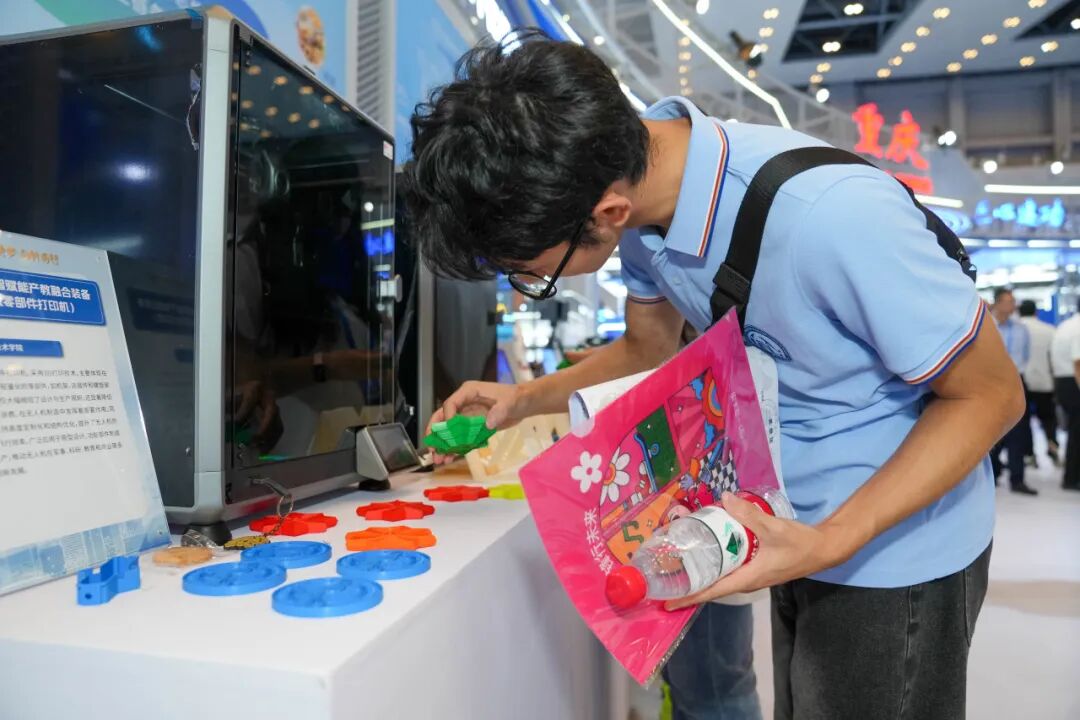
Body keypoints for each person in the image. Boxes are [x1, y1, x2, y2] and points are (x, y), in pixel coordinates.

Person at [403, 34, 1022, 719]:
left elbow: (991, 394)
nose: (526, 282)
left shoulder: (830, 216)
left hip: (894, 548)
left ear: (606, 215)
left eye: (529, 273)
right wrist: (522, 399)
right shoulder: (639, 196)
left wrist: (833, 539)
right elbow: (647, 347)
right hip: (795, 526)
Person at [988, 289, 1037, 494]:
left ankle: (1018, 479)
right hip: (990, 384)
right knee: (990, 430)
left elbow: (1025, 356)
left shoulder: (1021, 329)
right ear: (997, 303)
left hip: (1016, 382)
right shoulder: (986, 327)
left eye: (1013, 301)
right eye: (1008, 301)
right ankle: (992, 475)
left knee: (1018, 431)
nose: (1012, 306)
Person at [1019, 299, 1059, 465]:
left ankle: (1029, 454)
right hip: (1044, 381)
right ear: (1036, 311)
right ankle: (1052, 447)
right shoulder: (1049, 330)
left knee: (1024, 421)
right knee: (1048, 418)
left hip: (1021, 382)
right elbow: (1054, 359)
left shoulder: (1017, 329)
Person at [1051, 303, 1080, 491]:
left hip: (1063, 382)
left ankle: (1071, 476)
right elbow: (1078, 363)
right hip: (1073, 382)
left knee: (1075, 431)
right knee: (1077, 432)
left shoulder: (1066, 325)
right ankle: (1072, 478)